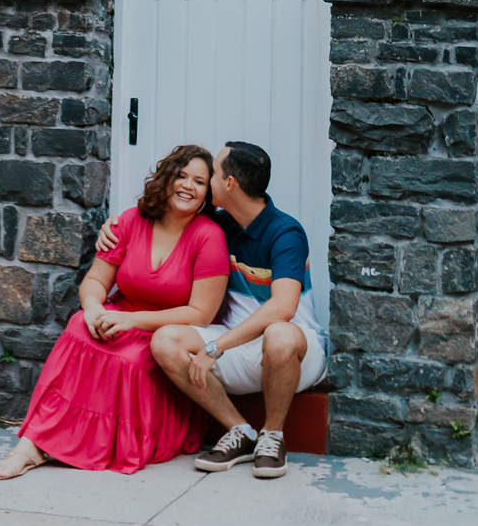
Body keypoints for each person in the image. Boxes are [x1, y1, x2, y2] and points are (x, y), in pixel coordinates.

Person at [0, 144, 229, 479]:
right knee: (76, 328)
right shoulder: (131, 221)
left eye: (199, 182)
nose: (188, 185)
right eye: (181, 175)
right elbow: (96, 281)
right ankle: (31, 445)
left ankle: (61, 445)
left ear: (208, 193)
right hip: (119, 314)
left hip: (167, 331)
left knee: (127, 360)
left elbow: (200, 314)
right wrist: (91, 309)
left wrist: (130, 320)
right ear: (167, 177)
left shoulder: (209, 236)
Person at [99, 140, 326, 480]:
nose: (205, 181)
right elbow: (161, 219)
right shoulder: (218, 225)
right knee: (165, 341)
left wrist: (214, 347)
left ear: (230, 184)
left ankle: (272, 436)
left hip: (296, 351)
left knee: (278, 334)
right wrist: (114, 225)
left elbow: (283, 307)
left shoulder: (285, 233)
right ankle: (242, 432)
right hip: (236, 346)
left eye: (213, 174)